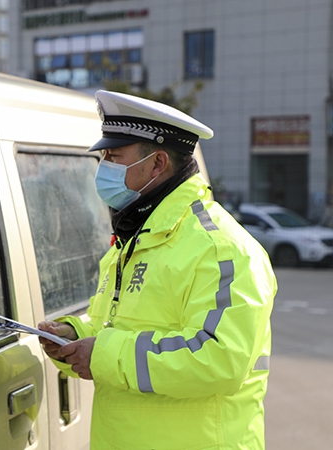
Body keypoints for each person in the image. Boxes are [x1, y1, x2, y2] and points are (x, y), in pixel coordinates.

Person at [38, 90, 277, 449]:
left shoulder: (221, 249)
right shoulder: (135, 237)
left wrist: (101, 355)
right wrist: (73, 335)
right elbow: (119, 326)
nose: (104, 167)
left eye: (114, 157)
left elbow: (218, 358)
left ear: (158, 163)